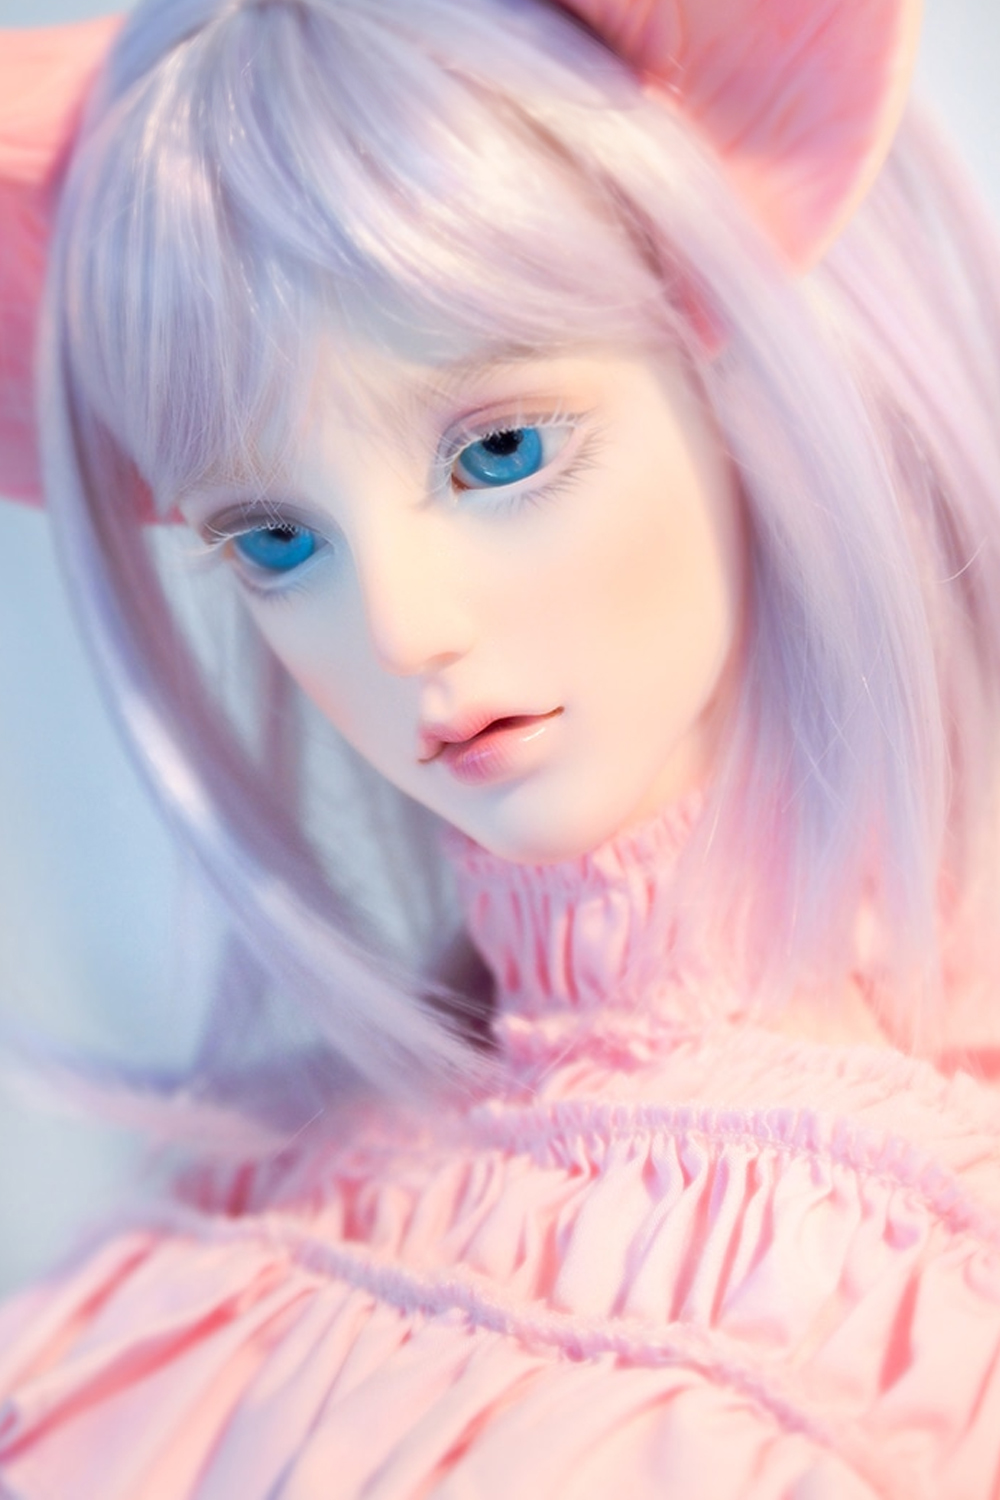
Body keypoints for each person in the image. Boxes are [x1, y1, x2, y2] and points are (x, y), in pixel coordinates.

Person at [1, 0, 1000, 1493]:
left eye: (503, 451)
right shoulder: (270, 1193)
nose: (401, 628)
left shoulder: (909, 1304)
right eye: (274, 539)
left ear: (749, 377)